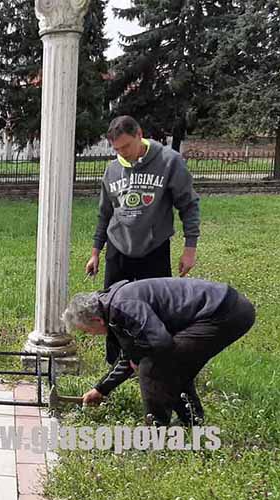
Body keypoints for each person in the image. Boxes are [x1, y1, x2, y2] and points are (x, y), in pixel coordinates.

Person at [86, 115, 202, 364]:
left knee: (157, 307)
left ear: (140, 134)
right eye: (117, 149)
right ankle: (116, 361)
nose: (123, 153)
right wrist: (96, 251)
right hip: (118, 247)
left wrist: (190, 247)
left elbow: (189, 204)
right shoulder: (112, 169)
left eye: (126, 146)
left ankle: (155, 358)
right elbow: (105, 213)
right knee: (112, 308)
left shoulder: (169, 161)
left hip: (154, 247)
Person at [62, 277, 255, 426]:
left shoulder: (123, 307)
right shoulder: (113, 308)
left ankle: (155, 431)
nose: (91, 335)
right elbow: (129, 353)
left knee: (153, 366)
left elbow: (160, 344)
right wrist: (101, 389)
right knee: (175, 363)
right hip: (224, 307)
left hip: (225, 312)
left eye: (87, 331)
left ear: (97, 321)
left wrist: (139, 361)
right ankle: (192, 422)